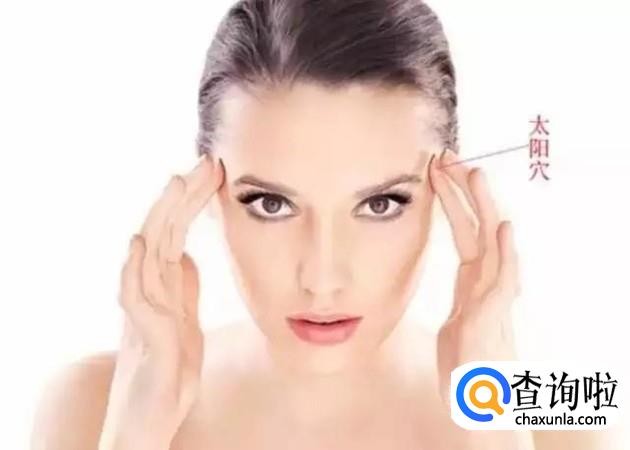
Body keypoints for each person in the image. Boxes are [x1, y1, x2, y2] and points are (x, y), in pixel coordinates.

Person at [31, 1, 603, 449]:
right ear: (205, 193)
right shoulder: (92, 408)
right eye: (271, 204)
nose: (322, 279)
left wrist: (496, 428)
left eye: (380, 204)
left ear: (447, 192)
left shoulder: (558, 424)